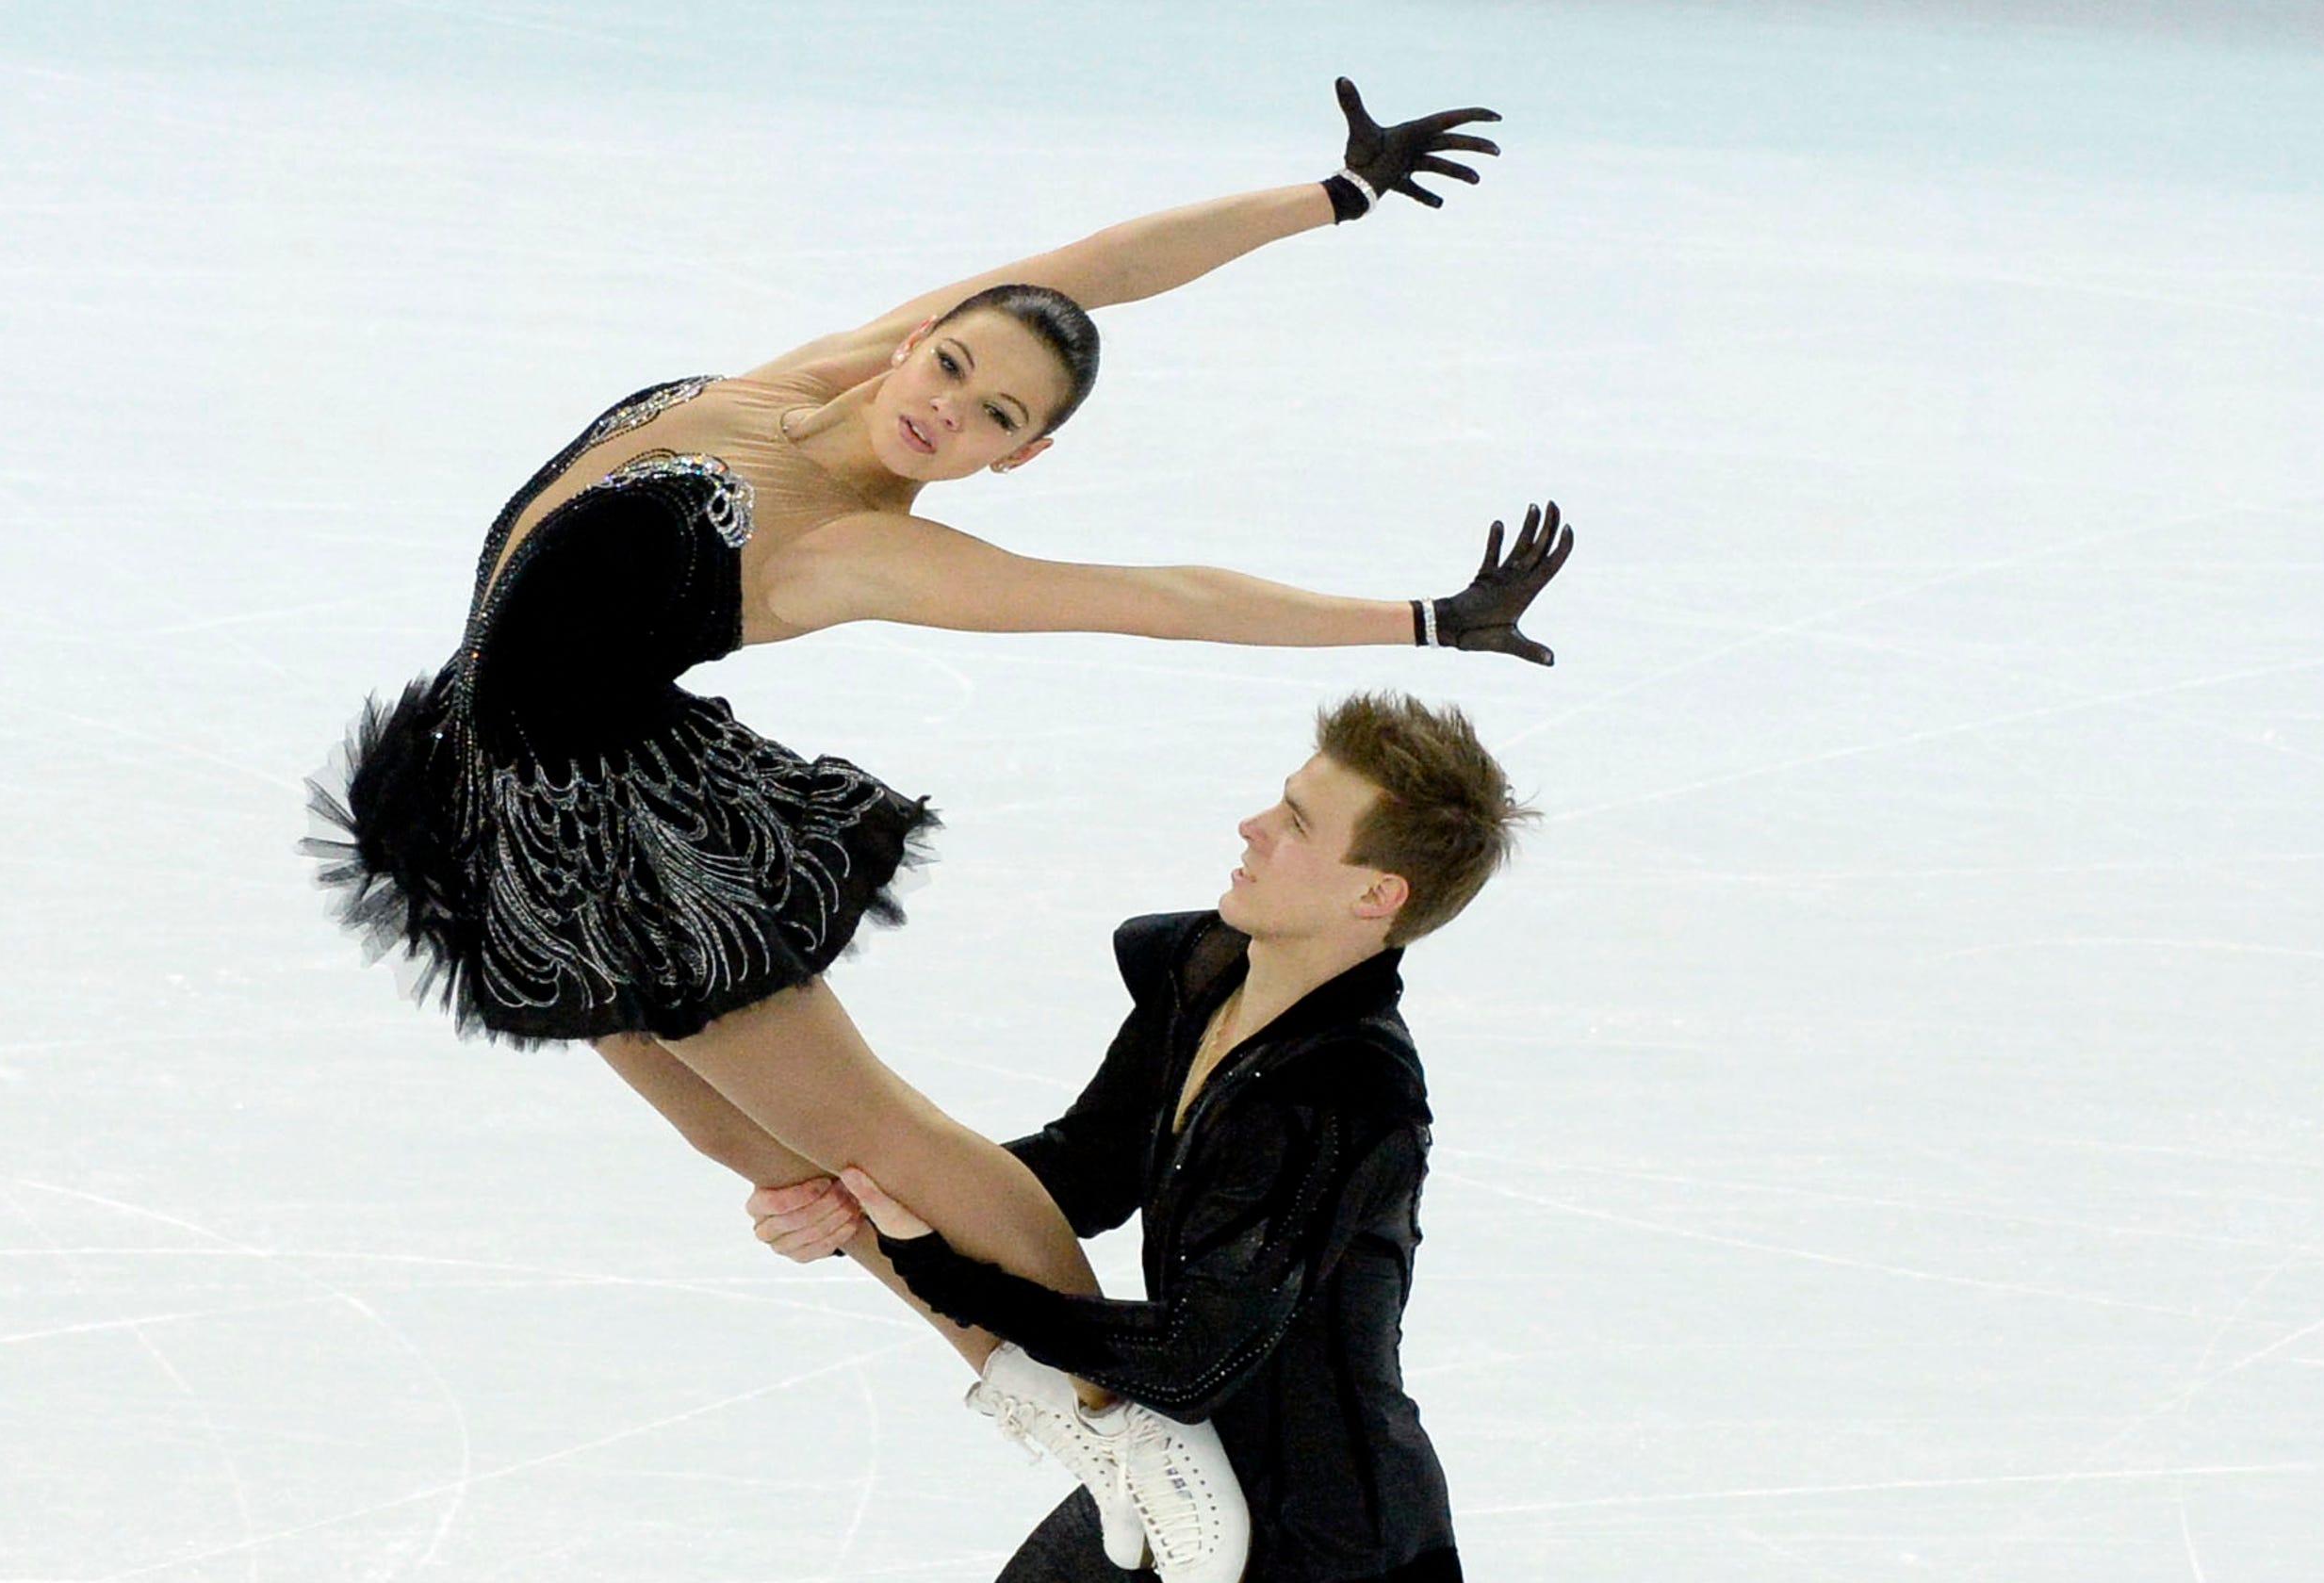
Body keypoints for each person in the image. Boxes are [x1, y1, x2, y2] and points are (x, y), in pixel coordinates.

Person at [302, 80, 1565, 1583]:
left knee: (873, 1135)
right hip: (487, 785)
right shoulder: (797, 383)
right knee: (744, 1145)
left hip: (622, 833)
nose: (947, 408)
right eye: (957, 365)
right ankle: (1043, 1383)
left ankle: (1122, 1426)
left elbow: (1160, 600)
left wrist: (1423, 619)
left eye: (994, 420)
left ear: (1011, 459)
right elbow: (1094, 266)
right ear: (924, 334)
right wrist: (1330, 199)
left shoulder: (856, 549)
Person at [753, 693, 1528, 1583]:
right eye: (1281, 799)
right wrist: (864, 1202)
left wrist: (941, 1272)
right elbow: (1085, 1171)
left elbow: (1195, 1355)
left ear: (1376, 893)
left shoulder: (1346, 1096)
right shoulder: (1208, 973)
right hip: (1179, 1467)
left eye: (1298, 825)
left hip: (1320, 1535)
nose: (1254, 827)